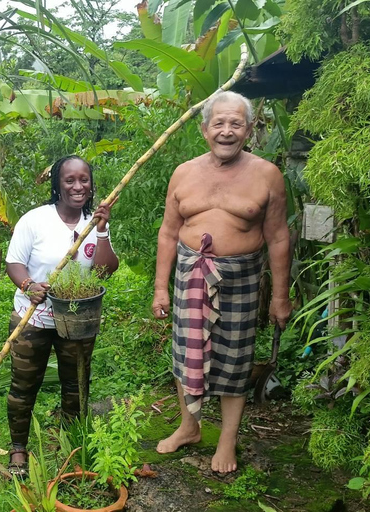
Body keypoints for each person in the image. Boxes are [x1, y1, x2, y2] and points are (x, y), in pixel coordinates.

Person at [151, 91, 293, 474]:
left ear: (248, 129)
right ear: (204, 130)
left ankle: (227, 439)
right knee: (185, 353)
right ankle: (189, 426)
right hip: (189, 272)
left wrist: (281, 296)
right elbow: (168, 232)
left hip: (241, 276)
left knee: (234, 359)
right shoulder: (183, 172)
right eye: (219, 123)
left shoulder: (267, 175)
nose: (226, 131)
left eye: (235, 124)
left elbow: (279, 237)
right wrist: (160, 288)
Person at [4, 155, 119, 475]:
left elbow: (105, 271)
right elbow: (14, 262)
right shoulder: (35, 220)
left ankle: (73, 447)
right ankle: (18, 450)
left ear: (92, 184)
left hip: (77, 321)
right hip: (33, 317)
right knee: (24, 386)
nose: (78, 186)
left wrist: (102, 230)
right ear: (57, 185)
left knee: (76, 386)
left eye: (84, 179)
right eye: (69, 180)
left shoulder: (93, 223)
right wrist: (28, 285)